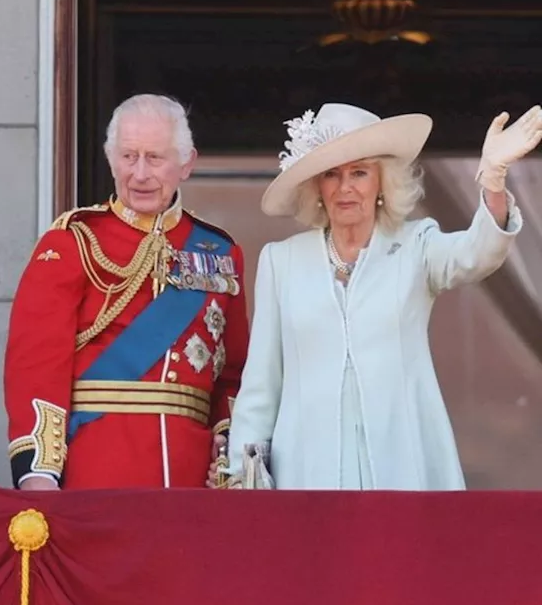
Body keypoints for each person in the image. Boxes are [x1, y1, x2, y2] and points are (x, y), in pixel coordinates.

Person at [225, 103, 540, 490]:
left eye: (359, 172)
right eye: (332, 175)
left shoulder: (415, 246)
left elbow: (477, 253)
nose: (345, 187)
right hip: (307, 472)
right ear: (317, 187)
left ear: (381, 182)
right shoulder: (282, 261)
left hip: (402, 466)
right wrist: (242, 476)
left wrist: (492, 180)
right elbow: (262, 382)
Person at [3, 94, 251, 490]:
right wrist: (39, 471)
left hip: (192, 478)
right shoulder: (75, 240)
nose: (139, 174)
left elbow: (234, 375)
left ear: (187, 163)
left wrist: (229, 457)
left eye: (154, 158)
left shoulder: (219, 251)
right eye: (128, 157)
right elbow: (35, 365)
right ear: (110, 159)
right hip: (95, 466)